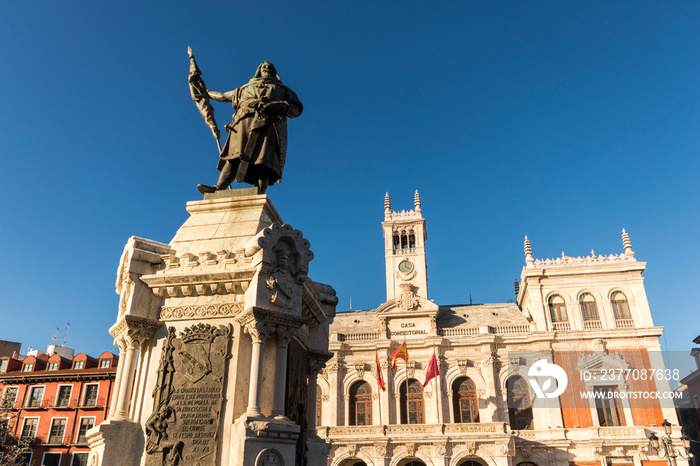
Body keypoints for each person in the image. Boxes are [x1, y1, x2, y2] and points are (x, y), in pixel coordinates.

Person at [197, 61, 303, 194]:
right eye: (264, 67)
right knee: (234, 155)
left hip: (269, 126)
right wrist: (205, 91)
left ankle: (258, 193)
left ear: (274, 72)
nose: (267, 69)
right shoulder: (244, 89)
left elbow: (296, 109)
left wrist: (281, 105)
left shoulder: (283, 90)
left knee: (264, 160)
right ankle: (219, 187)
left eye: (270, 67)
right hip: (243, 124)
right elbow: (223, 96)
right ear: (259, 70)